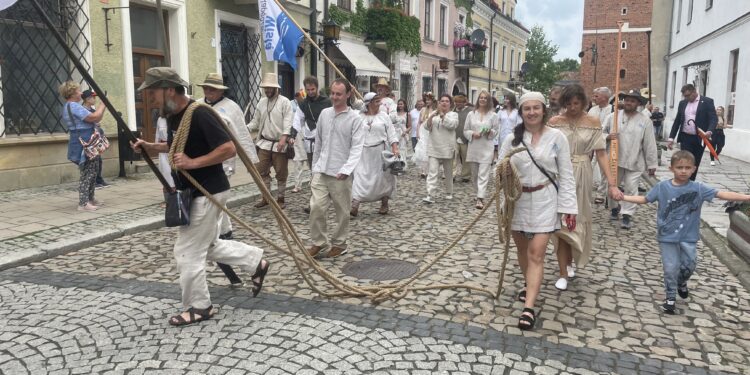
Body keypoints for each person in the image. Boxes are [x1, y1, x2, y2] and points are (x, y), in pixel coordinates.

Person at [131, 67, 270, 326]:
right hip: (193, 192)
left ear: (169, 90)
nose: (150, 98)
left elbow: (228, 149)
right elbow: (177, 146)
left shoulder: (201, 114)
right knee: (208, 245)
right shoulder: (174, 116)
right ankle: (255, 262)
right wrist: (150, 147)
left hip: (208, 190)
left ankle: (199, 306)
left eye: (152, 92)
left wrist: (193, 163)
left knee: (187, 250)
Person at [615, 150, 750, 314]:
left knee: (690, 265)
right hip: (667, 236)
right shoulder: (662, 187)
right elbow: (644, 199)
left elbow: (721, 194)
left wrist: (746, 197)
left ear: (693, 169)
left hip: (688, 236)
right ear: (672, 168)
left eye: (687, 167)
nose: (683, 171)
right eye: (680, 167)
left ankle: (681, 282)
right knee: (670, 268)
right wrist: (623, 197)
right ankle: (670, 297)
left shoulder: (698, 188)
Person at [498, 91, 577, 330]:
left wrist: (568, 208)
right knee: (523, 252)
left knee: (536, 254)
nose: (531, 112)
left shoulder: (557, 137)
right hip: (518, 201)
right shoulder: (512, 138)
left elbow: (566, 174)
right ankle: (528, 283)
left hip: (545, 199)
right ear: (521, 112)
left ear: (544, 110)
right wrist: (505, 179)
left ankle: (529, 308)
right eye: (527, 109)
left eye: (536, 108)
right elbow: (500, 168)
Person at [548, 84, 621, 291]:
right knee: (561, 222)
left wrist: (612, 182)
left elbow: (601, 153)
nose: (573, 107)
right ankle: (563, 269)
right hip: (559, 173)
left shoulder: (593, 122)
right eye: (569, 103)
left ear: (583, 102)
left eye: (577, 103)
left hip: (582, 171)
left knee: (577, 219)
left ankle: (573, 259)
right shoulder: (555, 122)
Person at [307, 79, 366, 259]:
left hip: (341, 173)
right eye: (332, 93)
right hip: (322, 170)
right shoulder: (325, 114)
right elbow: (319, 142)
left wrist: (347, 169)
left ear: (348, 95)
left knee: (342, 211)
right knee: (316, 207)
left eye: (338, 94)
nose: (334, 97)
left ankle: (340, 244)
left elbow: (357, 147)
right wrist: (314, 167)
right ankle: (319, 242)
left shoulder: (355, 118)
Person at [196, 72, 259, 240]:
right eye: (206, 88)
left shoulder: (232, 108)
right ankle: (225, 230)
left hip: (224, 160)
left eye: (212, 88)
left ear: (221, 91)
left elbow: (242, 135)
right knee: (213, 198)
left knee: (218, 197)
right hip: (203, 160)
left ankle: (219, 233)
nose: (208, 91)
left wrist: (251, 162)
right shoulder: (197, 106)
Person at [604, 89, 658, 229]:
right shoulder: (613, 117)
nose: (628, 103)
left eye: (632, 101)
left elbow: (649, 143)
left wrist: (652, 164)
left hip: (635, 160)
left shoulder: (645, 121)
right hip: (615, 158)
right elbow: (601, 133)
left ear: (638, 103)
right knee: (612, 185)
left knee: (631, 187)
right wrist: (608, 137)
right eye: (627, 100)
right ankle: (614, 208)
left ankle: (627, 214)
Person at [248, 73, 294, 209]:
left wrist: (283, 138)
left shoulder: (285, 102)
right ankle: (266, 197)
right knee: (260, 170)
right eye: (265, 88)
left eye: (269, 88)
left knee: (281, 172)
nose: (267, 90)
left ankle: (280, 198)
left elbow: (288, 122)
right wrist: (243, 128)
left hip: (279, 143)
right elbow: (255, 122)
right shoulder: (262, 102)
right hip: (264, 143)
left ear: (276, 88)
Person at [351, 93, 400, 216]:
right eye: (377, 101)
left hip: (380, 152)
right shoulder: (359, 116)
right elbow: (352, 132)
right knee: (359, 176)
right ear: (369, 103)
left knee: (382, 179)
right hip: (363, 152)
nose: (380, 104)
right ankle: (355, 203)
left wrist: (395, 148)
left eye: (380, 101)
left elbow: (391, 133)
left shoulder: (384, 116)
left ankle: (384, 202)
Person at [60, 81, 106, 211]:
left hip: (86, 140)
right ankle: (83, 203)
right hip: (85, 141)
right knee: (88, 172)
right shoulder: (74, 106)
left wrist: (101, 109)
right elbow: (94, 117)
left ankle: (90, 199)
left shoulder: (71, 106)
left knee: (93, 170)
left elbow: (96, 119)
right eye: (79, 91)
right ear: (73, 93)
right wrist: (103, 104)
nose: (81, 93)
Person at [667, 84, 718, 181]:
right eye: (685, 96)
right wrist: (671, 138)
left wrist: (709, 131)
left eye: (688, 95)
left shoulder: (707, 102)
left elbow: (713, 119)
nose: (687, 98)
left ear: (694, 92)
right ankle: (682, 182)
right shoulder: (682, 103)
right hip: (686, 137)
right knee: (685, 161)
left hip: (699, 138)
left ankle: (691, 182)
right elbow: (678, 121)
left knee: (695, 162)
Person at [463, 90, 498, 210]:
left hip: (487, 148)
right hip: (474, 148)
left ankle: (480, 198)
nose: (482, 100)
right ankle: (478, 192)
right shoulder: (471, 114)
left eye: (485, 98)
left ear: (488, 101)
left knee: (483, 174)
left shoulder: (493, 115)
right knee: (475, 175)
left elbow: (496, 131)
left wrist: (489, 132)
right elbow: (465, 130)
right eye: (481, 98)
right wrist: (473, 134)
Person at [422, 94, 458, 203]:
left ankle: (449, 192)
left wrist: (443, 115)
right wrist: (432, 116)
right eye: (442, 101)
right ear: (439, 103)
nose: (444, 103)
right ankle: (430, 194)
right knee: (432, 171)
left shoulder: (454, 115)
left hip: (447, 147)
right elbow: (426, 126)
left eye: (447, 101)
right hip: (434, 146)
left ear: (450, 104)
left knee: (448, 172)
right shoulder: (434, 114)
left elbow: (452, 125)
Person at [587, 87, 613, 204]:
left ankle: (601, 193)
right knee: (588, 167)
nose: (594, 98)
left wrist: (606, 136)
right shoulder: (592, 110)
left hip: (606, 144)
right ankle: (585, 190)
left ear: (605, 97)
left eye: (597, 96)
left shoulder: (612, 110)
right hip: (591, 143)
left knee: (604, 169)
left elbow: (612, 129)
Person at [80, 89, 110, 189]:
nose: (94, 99)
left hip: (96, 139)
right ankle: (93, 182)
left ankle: (98, 179)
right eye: (93, 97)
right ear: (87, 99)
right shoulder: (82, 110)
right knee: (91, 161)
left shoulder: (92, 110)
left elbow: (98, 117)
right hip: (88, 140)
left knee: (98, 160)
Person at [290, 90, 310, 193]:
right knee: (298, 162)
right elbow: (293, 122)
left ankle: (313, 182)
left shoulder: (308, 106)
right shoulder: (292, 105)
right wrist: (291, 135)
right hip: (298, 136)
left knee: (311, 163)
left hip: (308, 136)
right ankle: (297, 185)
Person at [416, 92, 437, 178]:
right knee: (422, 150)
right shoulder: (423, 110)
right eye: (426, 100)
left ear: (432, 100)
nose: (427, 101)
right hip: (422, 131)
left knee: (429, 150)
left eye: (429, 100)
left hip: (430, 131)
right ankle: (423, 170)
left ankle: (429, 169)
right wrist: (417, 132)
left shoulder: (435, 110)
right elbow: (418, 123)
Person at [453, 94, 473, 183]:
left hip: (465, 138)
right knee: (452, 157)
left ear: (464, 103)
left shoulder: (470, 111)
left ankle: (466, 175)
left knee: (465, 158)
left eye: (460, 102)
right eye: (456, 102)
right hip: (454, 137)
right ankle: (452, 174)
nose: (458, 104)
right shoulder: (453, 111)